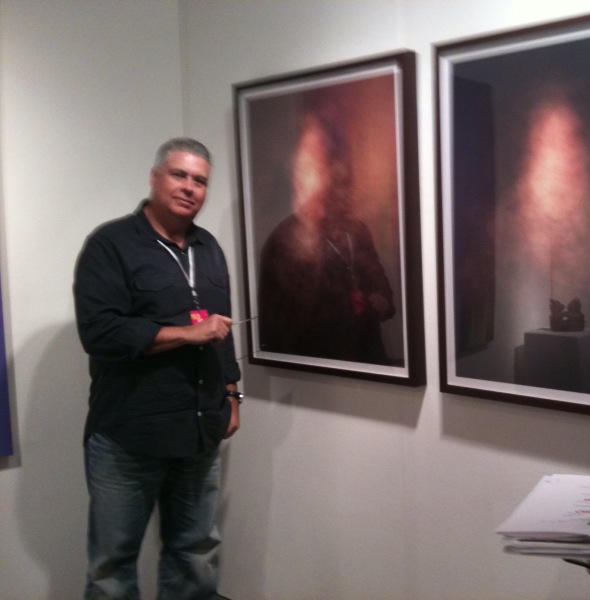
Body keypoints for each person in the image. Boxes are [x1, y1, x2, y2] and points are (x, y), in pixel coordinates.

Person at [73, 138, 242, 600]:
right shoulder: (110, 244)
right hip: (128, 437)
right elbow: (100, 333)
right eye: (179, 175)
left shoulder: (209, 248)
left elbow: (223, 330)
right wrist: (187, 334)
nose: (189, 187)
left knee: (196, 556)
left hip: (200, 432)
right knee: (112, 570)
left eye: (200, 181)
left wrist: (232, 395)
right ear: (154, 178)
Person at [257, 112, 396, 364]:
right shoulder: (282, 242)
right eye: (304, 167)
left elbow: (383, 291)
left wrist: (381, 302)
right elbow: (276, 331)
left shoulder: (356, 230)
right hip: (318, 371)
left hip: (370, 362)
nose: (306, 178)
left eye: (321, 165)